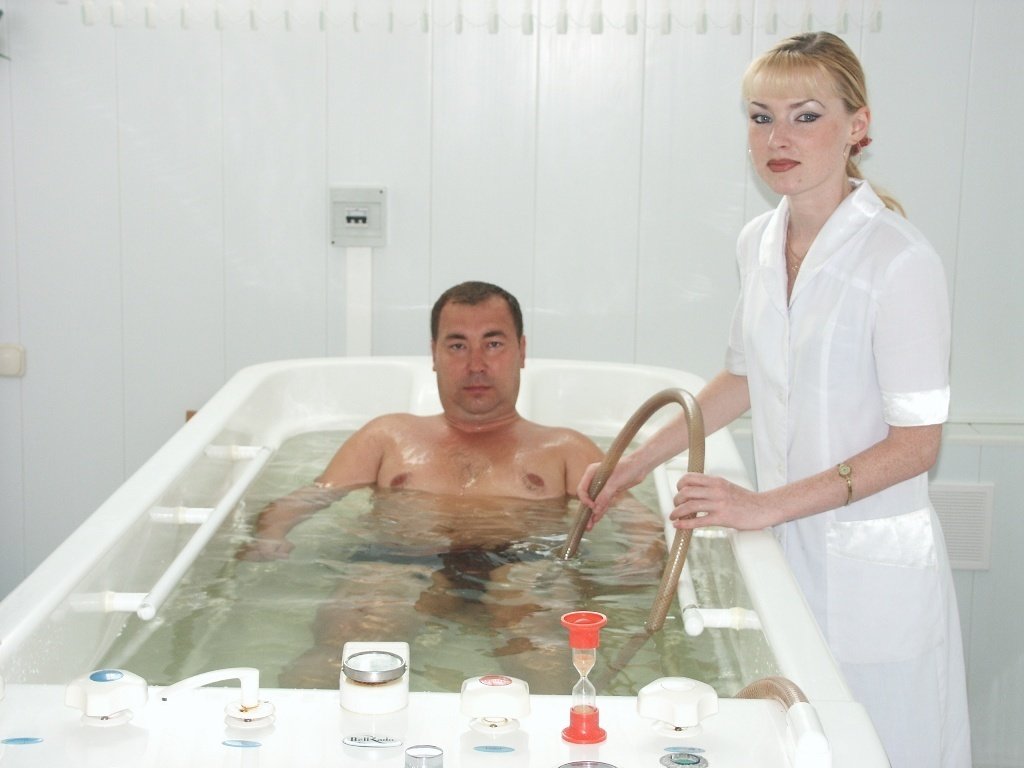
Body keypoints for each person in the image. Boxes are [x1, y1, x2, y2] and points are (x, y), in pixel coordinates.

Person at [578, 32, 970, 768]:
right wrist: (631, 465)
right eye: (761, 118)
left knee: (879, 750)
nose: (777, 139)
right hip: (790, 552)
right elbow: (744, 377)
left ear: (858, 127)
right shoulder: (758, 242)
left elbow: (917, 445)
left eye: (805, 116)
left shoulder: (900, 261)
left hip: (871, 568)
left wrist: (763, 505)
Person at [240, 281, 662, 687]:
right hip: (400, 562)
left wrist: (643, 553)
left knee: (546, 651)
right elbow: (309, 498)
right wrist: (270, 535)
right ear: (434, 354)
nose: (476, 364)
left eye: (493, 344)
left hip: (526, 566)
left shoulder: (564, 449)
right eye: (457, 346)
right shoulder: (387, 437)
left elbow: (637, 520)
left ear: (521, 351)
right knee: (344, 648)